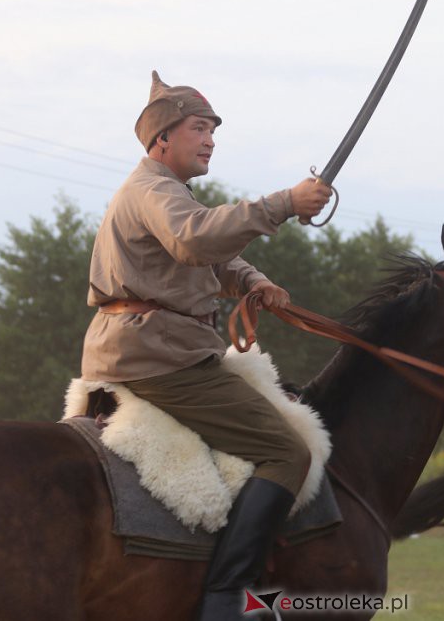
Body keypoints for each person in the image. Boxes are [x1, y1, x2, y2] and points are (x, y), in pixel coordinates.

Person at [81, 70, 333, 620]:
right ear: (162, 139)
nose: (211, 139)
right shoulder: (152, 190)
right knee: (289, 451)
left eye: (213, 130)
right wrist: (285, 202)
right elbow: (196, 238)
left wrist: (251, 282)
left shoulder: (168, 192)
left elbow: (210, 255)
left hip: (154, 350)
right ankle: (226, 595)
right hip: (162, 359)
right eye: (200, 128)